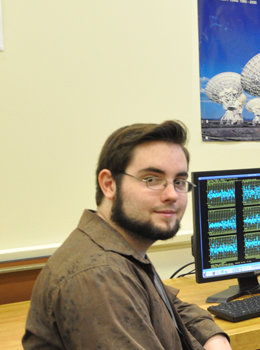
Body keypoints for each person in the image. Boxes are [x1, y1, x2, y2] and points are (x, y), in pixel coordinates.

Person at [23, 121, 232, 350]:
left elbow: (168, 305)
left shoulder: (120, 248)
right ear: (109, 184)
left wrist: (214, 337)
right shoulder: (98, 274)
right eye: (151, 179)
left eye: (179, 182)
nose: (172, 194)